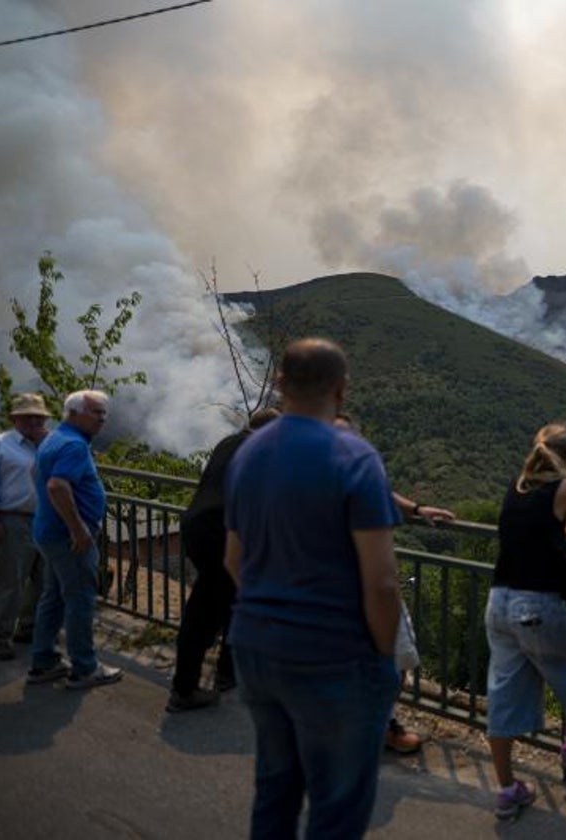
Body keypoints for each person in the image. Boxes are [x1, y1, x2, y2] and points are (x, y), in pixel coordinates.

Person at [224, 338, 403, 838]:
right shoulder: (355, 457)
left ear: (280, 383)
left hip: (255, 647)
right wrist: (382, 659)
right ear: (342, 390)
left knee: (275, 790)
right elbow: (382, 583)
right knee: (337, 806)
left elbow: (232, 559)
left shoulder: (248, 452)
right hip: (333, 655)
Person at [486, 423, 566, 819]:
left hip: (499, 601)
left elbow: (537, 527)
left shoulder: (518, 484)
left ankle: (506, 790)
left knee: (503, 692)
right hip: (536, 603)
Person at [332, 411, 455, 754]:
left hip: (344, 586)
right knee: (391, 658)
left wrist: (417, 509)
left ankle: (369, 724)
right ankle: (376, 728)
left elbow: (382, 493)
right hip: (358, 585)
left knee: (389, 661)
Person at [166, 407, 280, 713]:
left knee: (231, 600)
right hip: (220, 533)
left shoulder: (229, 442)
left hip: (197, 526)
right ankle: (185, 689)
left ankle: (227, 672)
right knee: (206, 610)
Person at [26, 390, 123, 689]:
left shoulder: (53, 438)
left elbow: (36, 473)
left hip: (50, 533)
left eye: (104, 413)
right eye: (96, 412)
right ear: (74, 413)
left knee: (53, 596)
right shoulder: (74, 445)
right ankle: (85, 668)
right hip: (69, 539)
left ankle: (44, 661)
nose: (102, 419)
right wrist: (78, 529)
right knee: (80, 599)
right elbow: (56, 486)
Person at [0, 393, 51, 660]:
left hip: (44, 520)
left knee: (44, 580)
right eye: (27, 416)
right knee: (10, 583)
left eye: (39, 417)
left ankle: (28, 628)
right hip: (13, 519)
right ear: (14, 419)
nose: (34, 421)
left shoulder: (45, 446)